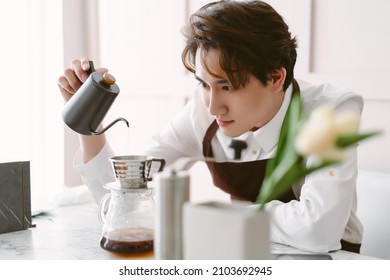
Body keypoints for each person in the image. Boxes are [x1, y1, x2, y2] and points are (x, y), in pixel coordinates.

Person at [57, 0, 363, 254]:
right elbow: (121, 207)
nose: (213, 106)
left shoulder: (331, 111)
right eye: (204, 84)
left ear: (275, 78)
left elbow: (317, 230)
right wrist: (89, 126)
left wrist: (204, 217)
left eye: (227, 86)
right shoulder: (201, 114)